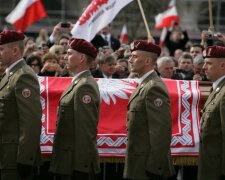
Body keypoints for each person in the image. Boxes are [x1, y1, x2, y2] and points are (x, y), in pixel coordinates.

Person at [50, 38, 101, 180]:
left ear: (82, 58)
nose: (65, 57)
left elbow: (85, 130)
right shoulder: (78, 82)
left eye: (69, 53)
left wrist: (81, 166)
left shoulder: (85, 86)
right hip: (68, 162)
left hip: (74, 165)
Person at [123, 40, 174, 179]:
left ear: (147, 61)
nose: (130, 60)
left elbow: (161, 131)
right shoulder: (144, 84)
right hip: (138, 163)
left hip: (147, 168)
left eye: (134, 56)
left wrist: (154, 167)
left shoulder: (153, 87)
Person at [0, 30, 42, 179]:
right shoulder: (9, 74)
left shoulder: (24, 75)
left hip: (13, 159)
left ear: (15, 50)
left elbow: (31, 122)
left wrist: (25, 159)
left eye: (1, 49)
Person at [198, 45, 225, 180]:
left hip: (218, 169)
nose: (203, 67)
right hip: (210, 165)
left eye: (209, 63)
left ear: (222, 65)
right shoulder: (216, 89)